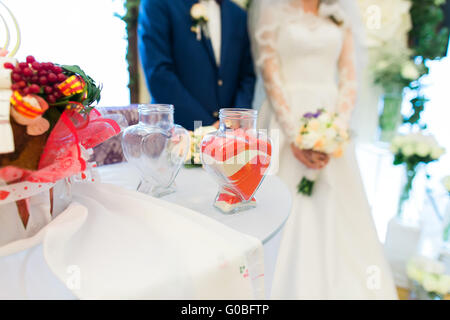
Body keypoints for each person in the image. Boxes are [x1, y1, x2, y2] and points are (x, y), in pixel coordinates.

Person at [250, 0, 398, 299]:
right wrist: (294, 134)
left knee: (333, 205)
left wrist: (336, 131)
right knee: (280, 202)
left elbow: (349, 77)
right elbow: (269, 71)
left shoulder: (340, 17)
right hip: (284, 119)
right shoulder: (272, 10)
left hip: (329, 118)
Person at [138, 0, 256, 130]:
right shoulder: (157, 4)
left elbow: (246, 76)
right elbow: (158, 73)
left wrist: (234, 119)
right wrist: (206, 127)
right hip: (174, 134)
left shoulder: (237, 14)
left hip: (228, 136)